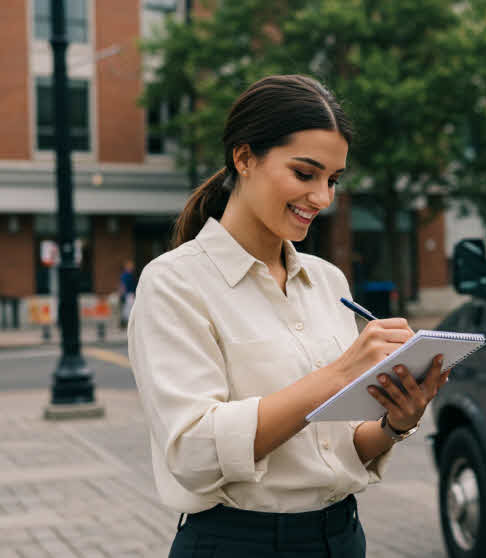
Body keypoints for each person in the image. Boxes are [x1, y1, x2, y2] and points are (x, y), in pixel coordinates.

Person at [127, 75, 449, 558]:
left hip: (341, 538)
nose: (323, 197)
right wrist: (341, 372)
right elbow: (193, 452)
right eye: (305, 174)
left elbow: (332, 449)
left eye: (333, 180)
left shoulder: (327, 282)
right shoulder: (175, 282)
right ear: (244, 158)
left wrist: (395, 424)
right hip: (236, 543)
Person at [118, 260, 137, 329]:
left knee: (128, 309)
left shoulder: (131, 275)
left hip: (131, 294)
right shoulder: (125, 275)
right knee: (127, 310)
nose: (131, 267)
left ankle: (125, 323)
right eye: (130, 266)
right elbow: (122, 285)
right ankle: (124, 323)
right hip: (128, 294)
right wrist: (122, 294)